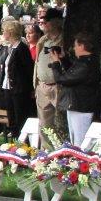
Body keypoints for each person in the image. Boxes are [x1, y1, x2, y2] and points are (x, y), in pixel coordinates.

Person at [49, 32, 100, 146]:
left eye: (76, 45)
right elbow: (71, 74)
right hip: (76, 104)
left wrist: (55, 64)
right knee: (74, 139)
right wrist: (63, 60)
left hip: (81, 106)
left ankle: (82, 162)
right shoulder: (82, 61)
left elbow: (63, 79)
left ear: (82, 46)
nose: (74, 48)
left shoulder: (86, 64)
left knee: (80, 140)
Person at [33, 10, 63, 143]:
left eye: (47, 21)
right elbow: (37, 63)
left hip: (58, 86)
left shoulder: (64, 40)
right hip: (42, 85)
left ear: (56, 21)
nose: (44, 24)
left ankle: (62, 153)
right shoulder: (42, 40)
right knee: (44, 124)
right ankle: (45, 155)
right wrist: (36, 83)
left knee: (60, 122)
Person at [1, 20, 34, 135]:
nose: (3, 33)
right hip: (8, 87)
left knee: (20, 116)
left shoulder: (21, 48)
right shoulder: (10, 48)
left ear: (10, 32)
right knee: (12, 116)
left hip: (19, 89)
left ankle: (22, 141)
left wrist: (31, 88)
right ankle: (14, 138)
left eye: (4, 31)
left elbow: (29, 69)